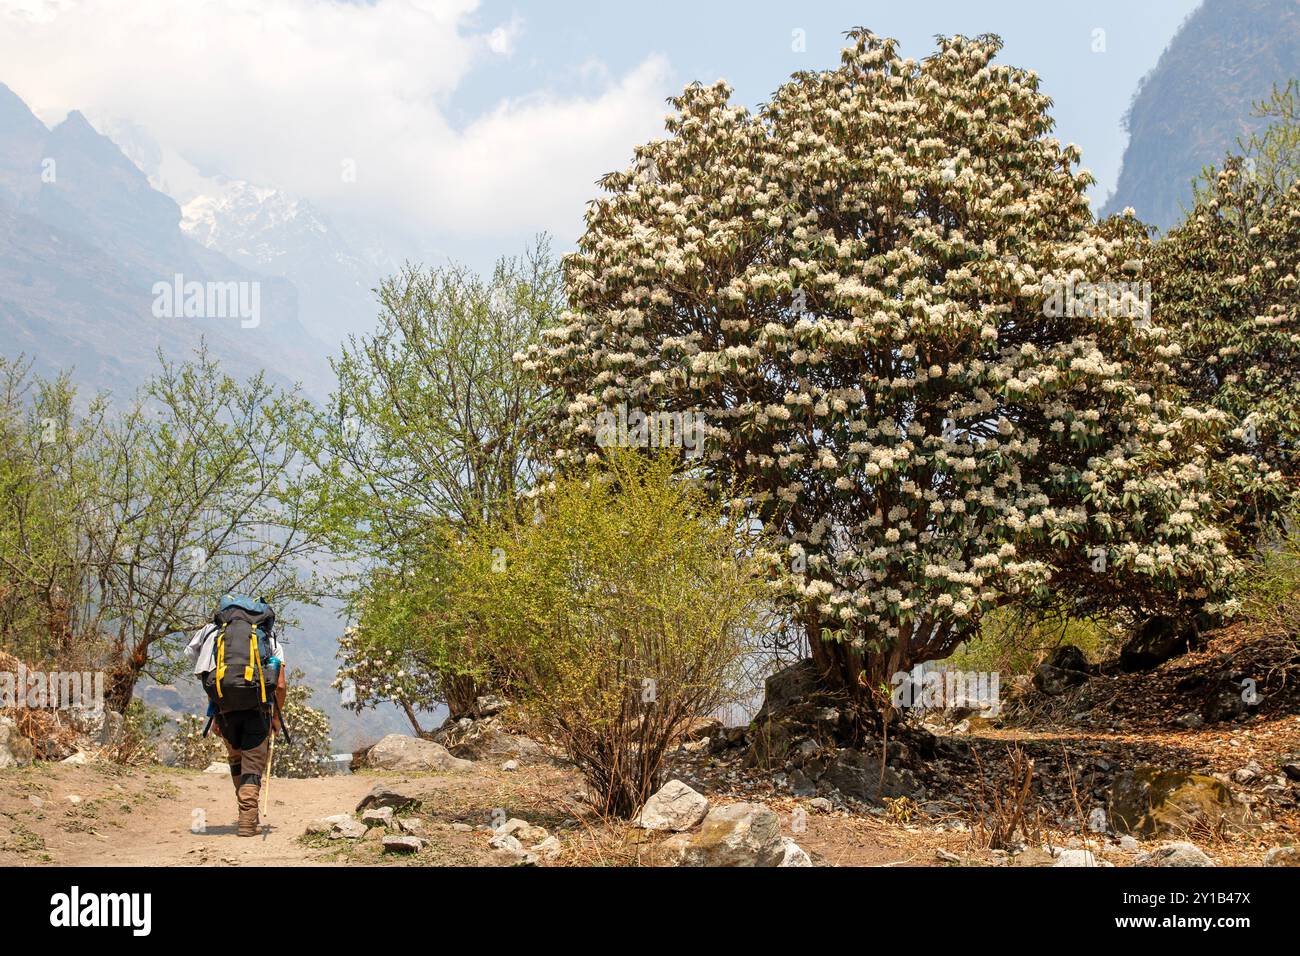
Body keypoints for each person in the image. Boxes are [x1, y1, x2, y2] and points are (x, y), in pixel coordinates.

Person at [186, 595, 287, 837]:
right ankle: (247, 822)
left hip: (225, 709)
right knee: (252, 765)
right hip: (257, 709)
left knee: (236, 760)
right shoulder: (268, 638)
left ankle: (244, 811)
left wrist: (215, 710)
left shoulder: (213, 634)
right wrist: (276, 717)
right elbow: (280, 685)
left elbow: (206, 675)